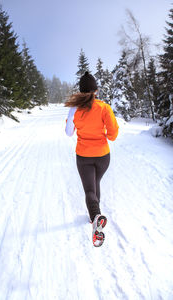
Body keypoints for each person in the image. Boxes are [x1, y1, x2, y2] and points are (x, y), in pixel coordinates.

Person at [65, 71, 119, 247]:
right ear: (96, 90)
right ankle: (95, 216)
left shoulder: (75, 109)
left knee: (90, 189)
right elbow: (112, 135)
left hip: (84, 156)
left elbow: (68, 132)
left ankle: (95, 216)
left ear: (81, 91)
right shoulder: (104, 108)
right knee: (95, 184)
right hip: (103, 156)